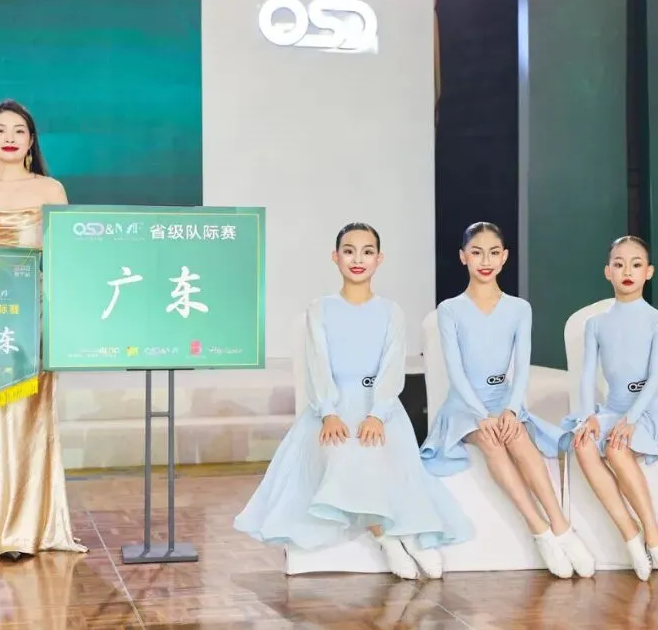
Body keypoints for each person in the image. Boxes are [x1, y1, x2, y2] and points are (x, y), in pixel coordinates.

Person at [235, 223, 472, 579]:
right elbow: (317, 365)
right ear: (335, 257)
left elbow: (391, 367)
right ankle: (388, 538)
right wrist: (328, 413)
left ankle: (413, 535)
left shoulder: (391, 311)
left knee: (388, 459)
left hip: (380, 408)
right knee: (345, 455)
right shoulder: (320, 309)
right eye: (349, 251)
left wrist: (377, 414)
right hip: (330, 408)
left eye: (366, 251)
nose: (357, 259)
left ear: (379, 259)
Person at [0, 99, 85, 560]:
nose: (9, 137)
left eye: (19, 130)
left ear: (31, 141)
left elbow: (67, 255)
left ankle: (31, 528)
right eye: (0, 130)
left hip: (37, 315)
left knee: (31, 413)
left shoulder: (50, 189)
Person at [420, 222, 595, 579]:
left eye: (493, 253)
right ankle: (540, 531)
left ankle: (561, 526)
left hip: (504, 399)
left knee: (516, 437)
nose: (485, 261)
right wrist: (481, 415)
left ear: (505, 257)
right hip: (465, 405)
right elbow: (456, 372)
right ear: (463, 257)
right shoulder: (450, 309)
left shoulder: (519, 309)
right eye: (477, 252)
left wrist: (512, 410)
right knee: (491, 441)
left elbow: (521, 367)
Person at [559, 235, 658, 585]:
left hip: (647, 410)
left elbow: (654, 378)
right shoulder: (596, 324)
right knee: (582, 444)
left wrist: (630, 420)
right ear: (608, 271)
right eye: (619, 264)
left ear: (649, 272)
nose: (627, 271)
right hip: (611, 409)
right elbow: (586, 375)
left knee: (617, 448)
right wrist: (588, 416)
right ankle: (630, 535)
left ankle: (655, 537)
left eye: (636, 264)